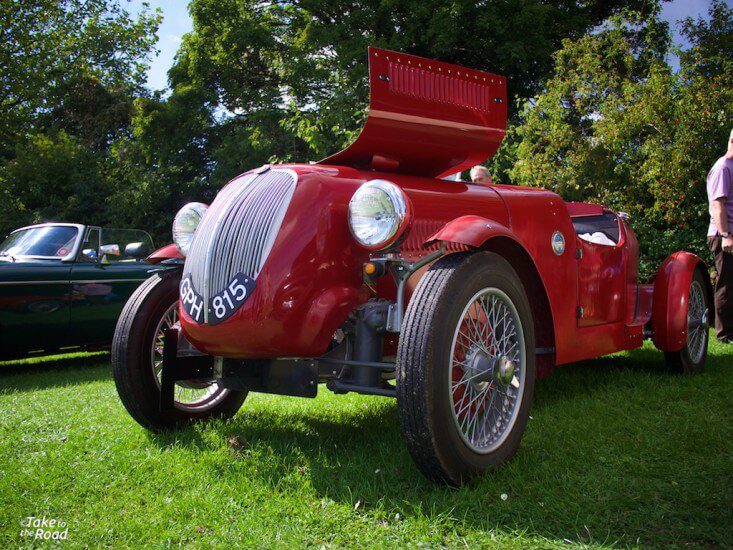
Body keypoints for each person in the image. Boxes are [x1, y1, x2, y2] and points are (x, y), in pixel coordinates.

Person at [706, 128, 733, 344]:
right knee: (726, 283)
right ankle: (724, 335)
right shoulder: (722, 167)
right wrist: (726, 235)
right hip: (724, 234)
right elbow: (717, 205)